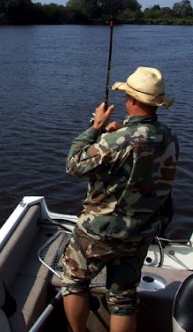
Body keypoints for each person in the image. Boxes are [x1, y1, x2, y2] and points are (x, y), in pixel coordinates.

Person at [61, 66, 179, 332]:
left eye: (127, 96)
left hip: (100, 232)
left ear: (133, 101)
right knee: (123, 298)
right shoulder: (169, 136)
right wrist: (117, 132)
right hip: (141, 232)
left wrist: (96, 127)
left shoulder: (118, 141)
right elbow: (140, 148)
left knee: (74, 282)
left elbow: (74, 165)